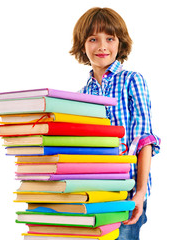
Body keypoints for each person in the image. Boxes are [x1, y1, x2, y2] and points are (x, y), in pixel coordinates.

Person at [70, 7, 160, 240]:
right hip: (92, 193)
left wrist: (140, 193)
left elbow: (143, 140)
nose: (102, 46)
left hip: (126, 193)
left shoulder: (132, 81)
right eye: (93, 39)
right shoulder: (80, 96)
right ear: (83, 45)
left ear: (120, 43)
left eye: (110, 38)